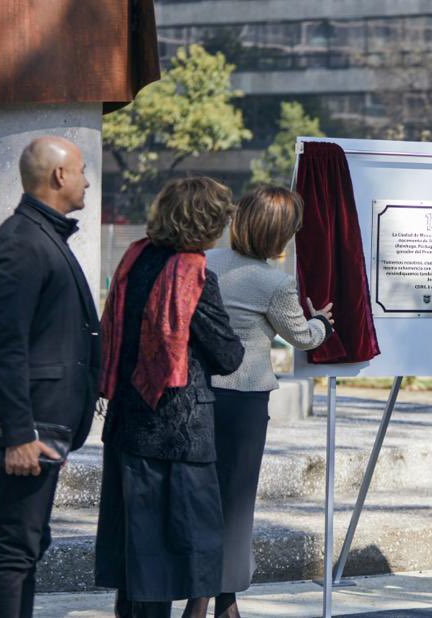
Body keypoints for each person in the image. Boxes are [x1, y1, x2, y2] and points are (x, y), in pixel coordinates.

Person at [94, 177, 245, 618]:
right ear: (204, 222)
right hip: (180, 433)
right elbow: (228, 355)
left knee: (139, 550)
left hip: (128, 422)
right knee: (191, 544)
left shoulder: (133, 259)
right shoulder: (195, 274)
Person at [0, 136, 100, 618]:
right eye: (82, 170)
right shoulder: (22, 243)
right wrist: (19, 433)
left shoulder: (40, 236)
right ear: (60, 176)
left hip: (45, 423)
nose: (87, 179)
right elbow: (5, 347)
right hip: (31, 429)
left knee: (28, 544)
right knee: (16, 548)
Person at [204, 186, 335, 618]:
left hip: (200, 394)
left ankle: (208, 597)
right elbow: (302, 337)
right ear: (279, 234)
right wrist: (321, 322)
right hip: (243, 402)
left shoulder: (206, 263)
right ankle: (220, 602)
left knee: (201, 497)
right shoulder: (276, 284)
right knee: (236, 502)